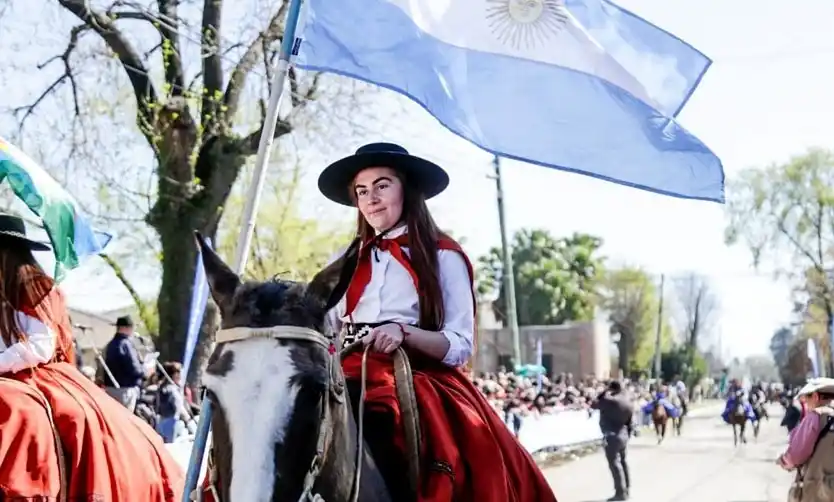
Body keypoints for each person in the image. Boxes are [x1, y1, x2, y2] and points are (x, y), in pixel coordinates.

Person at [320, 143, 557, 502]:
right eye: (362, 191)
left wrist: (403, 332)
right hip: (344, 366)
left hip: (414, 371)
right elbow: (326, 324)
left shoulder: (443, 255)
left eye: (382, 185)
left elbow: (460, 344)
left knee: (395, 423)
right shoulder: (344, 258)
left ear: (407, 189)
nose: (371, 198)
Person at [0, 213, 183, 500]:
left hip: (40, 371)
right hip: (10, 371)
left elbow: (40, 345)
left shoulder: (36, 286)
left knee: (63, 417)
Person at [777, 378, 834, 501]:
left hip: (822, 491)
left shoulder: (817, 416)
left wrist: (783, 460)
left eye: (807, 400)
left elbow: (796, 455)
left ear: (815, 397)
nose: (807, 406)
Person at [592, 381, 633, 501]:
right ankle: (626, 489)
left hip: (612, 434)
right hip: (624, 433)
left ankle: (620, 492)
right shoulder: (627, 400)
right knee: (623, 462)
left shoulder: (610, 401)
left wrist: (604, 391)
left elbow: (594, 403)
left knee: (614, 464)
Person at [103, 314, 148, 412]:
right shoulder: (126, 344)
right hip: (124, 391)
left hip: (110, 389)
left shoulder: (110, 345)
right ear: (126, 328)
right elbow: (134, 369)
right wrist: (144, 370)